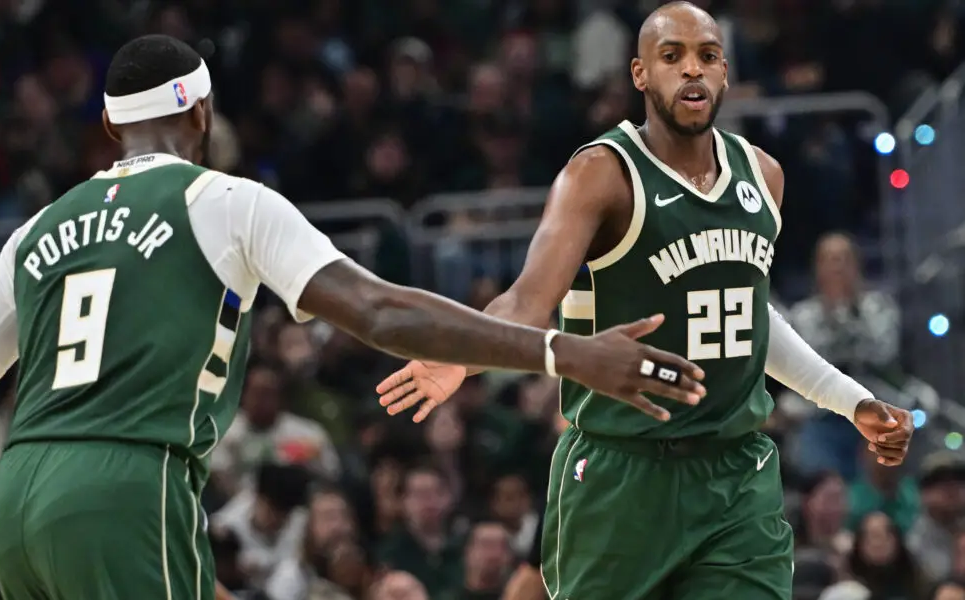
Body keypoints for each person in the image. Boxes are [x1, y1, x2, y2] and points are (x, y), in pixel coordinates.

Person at [0, 35, 707, 600]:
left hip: (16, 495)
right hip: (126, 482)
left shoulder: (37, 230)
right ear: (202, 111)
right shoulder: (225, 201)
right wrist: (561, 353)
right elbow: (378, 311)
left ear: (107, 123)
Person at [376, 3, 915, 599]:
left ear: (725, 73)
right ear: (639, 74)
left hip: (736, 475)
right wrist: (462, 353)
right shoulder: (600, 173)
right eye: (671, 56)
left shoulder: (764, 176)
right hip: (620, 473)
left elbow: (746, 314)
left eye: (707, 56)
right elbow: (527, 303)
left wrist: (850, 399)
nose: (692, 70)